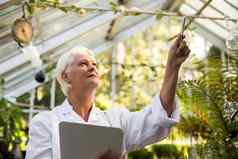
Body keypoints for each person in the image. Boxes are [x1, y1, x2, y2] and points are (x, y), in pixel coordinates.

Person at [25, 34, 190, 159]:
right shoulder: (45, 122)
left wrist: (173, 66)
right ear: (65, 76)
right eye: (83, 64)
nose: (92, 67)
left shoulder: (116, 120)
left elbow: (156, 120)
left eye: (94, 64)